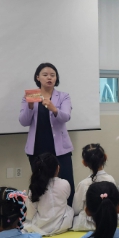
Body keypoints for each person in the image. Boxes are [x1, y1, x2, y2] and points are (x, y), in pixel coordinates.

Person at [19, 63, 75, 206]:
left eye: (52, 75)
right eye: (45, 75)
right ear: (38, 77)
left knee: (66, 183)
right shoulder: (30, 96)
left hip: (60, 150)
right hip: (37, 149)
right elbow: (24, 121)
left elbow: (66, 117)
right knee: (40, 185)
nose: (49, 78)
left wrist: (53, 108)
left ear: (56, 78)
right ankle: (42, 213)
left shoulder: (63, 96)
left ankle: (68, 212)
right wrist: (30, 107)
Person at [23, 152, 74, 236]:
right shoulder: (65, 183)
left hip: (40, 228)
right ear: (58, 168)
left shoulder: (35, 187)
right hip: (62, 226)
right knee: (68, 208)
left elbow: (30, 214)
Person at [72, 144, 117, 231]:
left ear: (84, 163)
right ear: (105, 157)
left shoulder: (83, 184)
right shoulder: (111, 180)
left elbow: (76, 210)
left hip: (88, 225)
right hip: (110, 220)